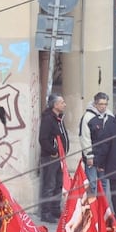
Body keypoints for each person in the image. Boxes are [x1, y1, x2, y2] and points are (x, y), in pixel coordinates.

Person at [38, 94, 69, 223]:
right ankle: (46, 212)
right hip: (51, 157)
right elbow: (43, 139)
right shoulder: (48, 119)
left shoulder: (59, 118)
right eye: (62, 102)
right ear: (55, 105)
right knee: (49, 185)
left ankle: (55, 209)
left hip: (60, 158)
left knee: (58, 184)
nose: (64, 104)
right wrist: (53, 151)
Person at [79, 92, 110, 189]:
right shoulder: (87, 117)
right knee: (92, 184)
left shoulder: (109, 116)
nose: (103, 107)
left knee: (104, 184)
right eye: (101, 104)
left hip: (104, 157)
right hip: (92, 156)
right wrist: (89, 156)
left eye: (105, 104)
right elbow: (85, 138)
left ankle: (103, 204)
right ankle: (92, 204)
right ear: (95, 104)